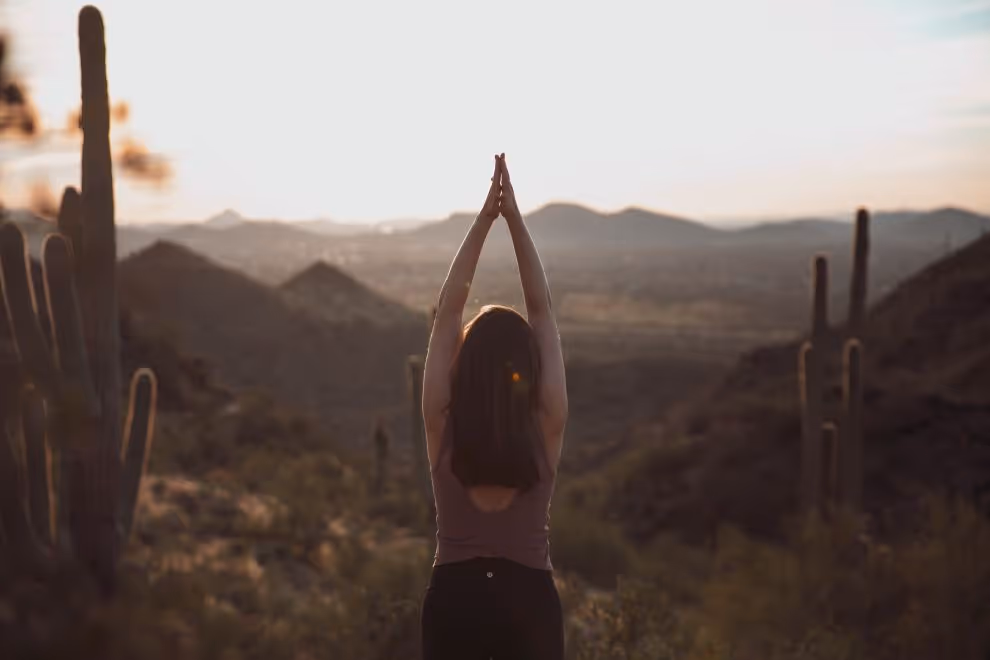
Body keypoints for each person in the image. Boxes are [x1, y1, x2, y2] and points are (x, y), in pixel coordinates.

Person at [420, 153, 568, 659]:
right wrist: (515, 221)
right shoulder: (545, 429)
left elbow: (446, 317)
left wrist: (485, 220)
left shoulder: (442, 426)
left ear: (467, 366)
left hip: (454, 604)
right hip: (530, 607)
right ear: (525, 371)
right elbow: (544, 312)